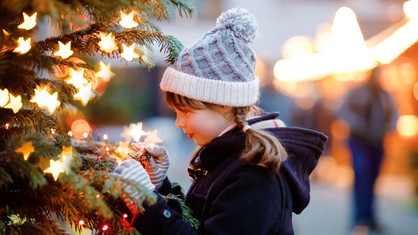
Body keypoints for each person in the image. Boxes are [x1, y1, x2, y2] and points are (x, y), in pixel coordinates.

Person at [112, 8, 327, 235]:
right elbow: (199, 221)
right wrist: (160, 186)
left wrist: (146, 201)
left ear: (223, 103)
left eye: (185, 112)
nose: (178, 122)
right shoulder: (226, 156)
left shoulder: (255, 175)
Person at [338, 66, 398, 231]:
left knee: (373, 180)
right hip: (359, 141)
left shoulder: (385, 95)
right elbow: (343, 111)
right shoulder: (357, 93)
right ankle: (359, 219)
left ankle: (370, 217)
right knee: (361, 177)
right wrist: (357, 125)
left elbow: (394, 115)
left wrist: (389, 127)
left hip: (377, 142)